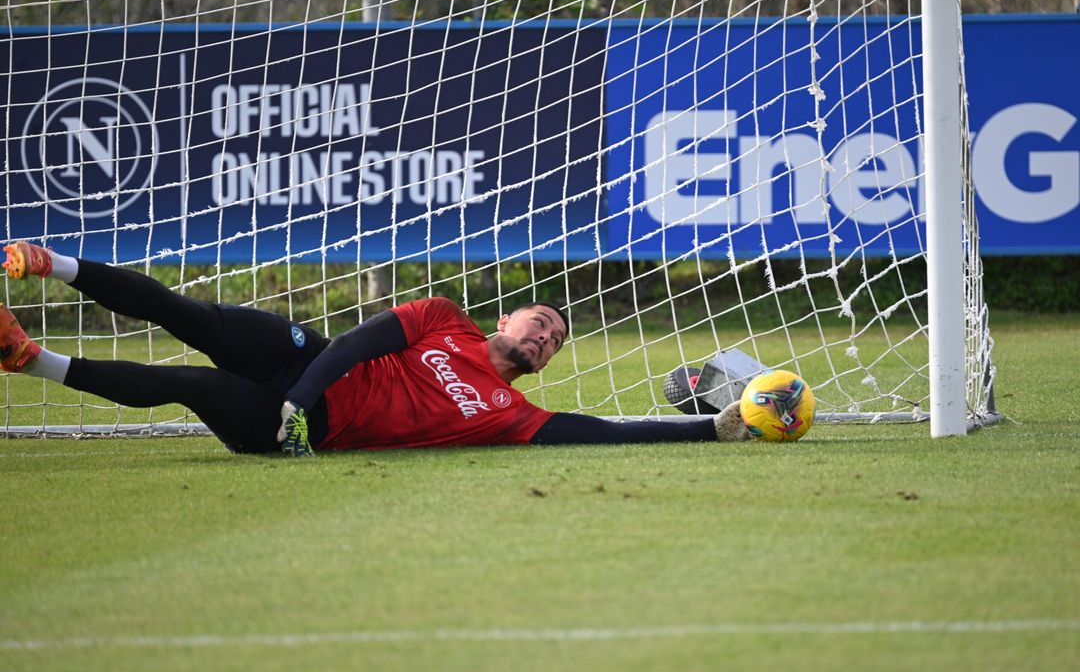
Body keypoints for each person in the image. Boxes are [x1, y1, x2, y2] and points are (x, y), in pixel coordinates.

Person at [1, 241, 748, 455]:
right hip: (304, 367)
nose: (544, 335)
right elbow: (359, 341)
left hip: (306, 431)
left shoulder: (506, 413)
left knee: (191, 384)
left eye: (553, 340)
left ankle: (31, 361)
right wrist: (299, 388)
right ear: (507, 319)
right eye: (538, 321)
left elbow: (601, 431)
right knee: (185, 312)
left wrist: (711, 426)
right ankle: (51, 263)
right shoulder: (445, 317)